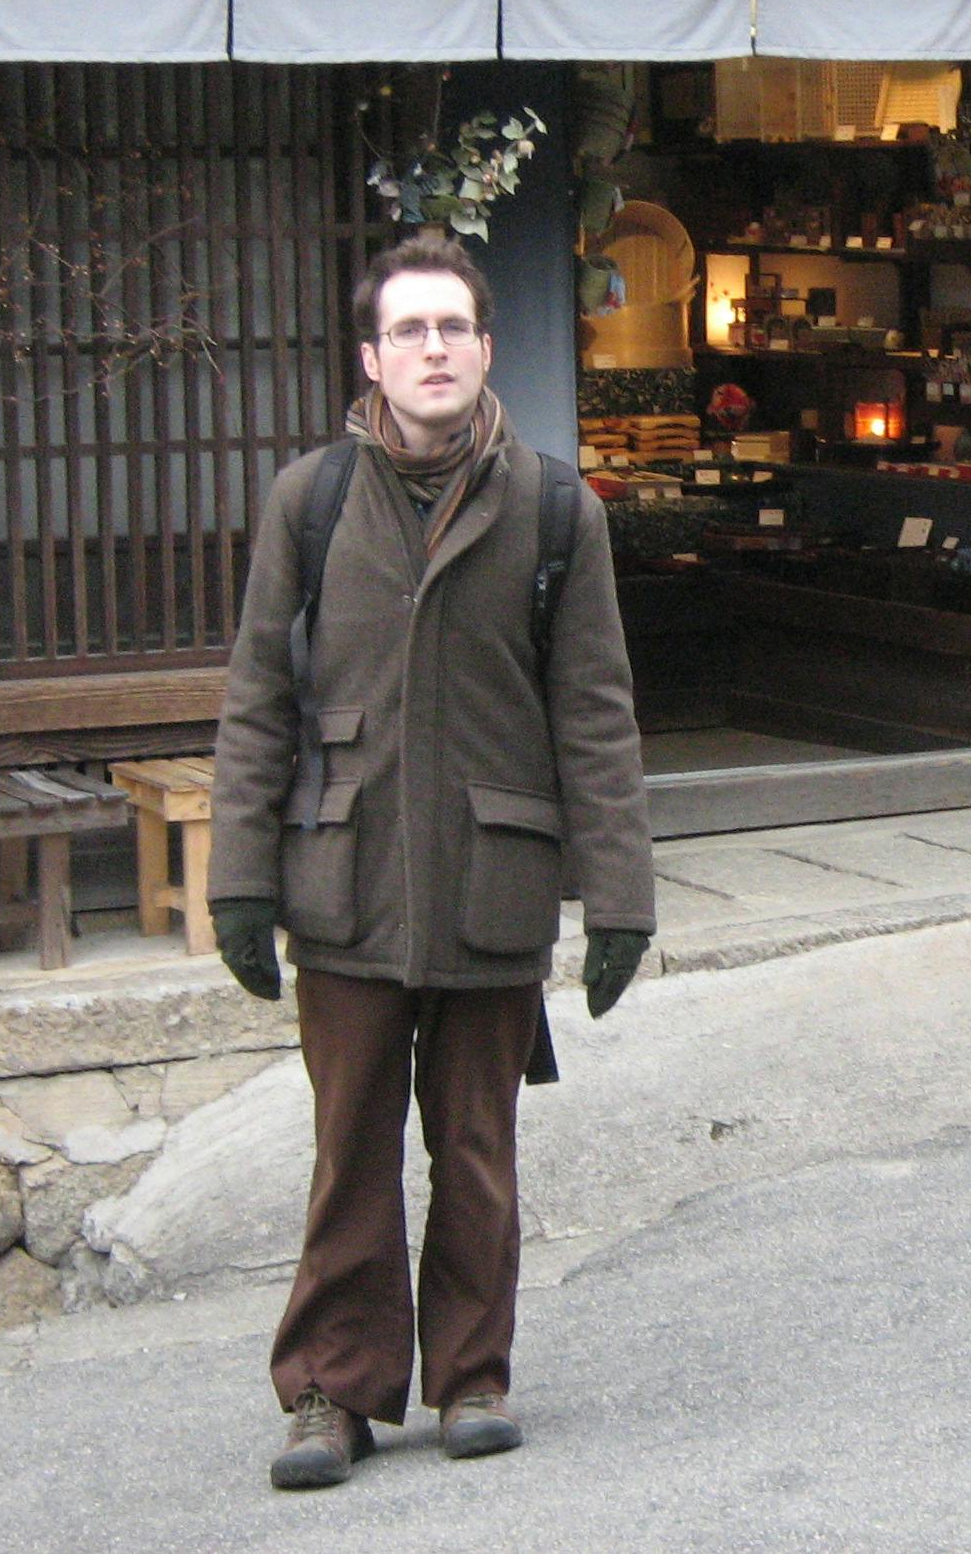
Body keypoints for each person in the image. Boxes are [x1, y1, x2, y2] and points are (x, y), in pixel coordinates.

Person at [207, 236, 655, 1490]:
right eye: (409, 332)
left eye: (452, 327)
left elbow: (597, 714)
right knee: (349, 1146)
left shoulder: (558, 507)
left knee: (475, 1148)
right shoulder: (312, 501)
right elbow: (257, 704)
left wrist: (619, 896)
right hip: (342, 876)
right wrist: (240, 878)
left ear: (485, 347)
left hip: (490, 879)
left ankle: (473, 1376)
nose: (434, 350)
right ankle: (330, 1393)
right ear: (371, 359)